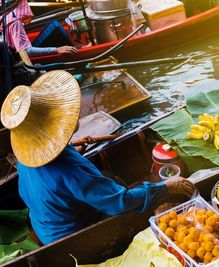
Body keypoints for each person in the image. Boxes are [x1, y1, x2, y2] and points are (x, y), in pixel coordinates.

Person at [0, 70, 196, 245]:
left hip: (45, 224)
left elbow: (52, 179)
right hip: (70, 237)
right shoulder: (72, 172)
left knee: (107, 178)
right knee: (151, 198)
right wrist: (166, 186)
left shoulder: (26, 158)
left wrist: (73, 151)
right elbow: (118, 202)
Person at [0, 0, 77, 57]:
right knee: (55, 25)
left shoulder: (4, 15)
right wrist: (57, 49)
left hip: (15, 54)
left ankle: (73, 48)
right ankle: (76, 51)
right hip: (23, 57)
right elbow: (25, 51)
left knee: (52, 25)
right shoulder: (13, 21)